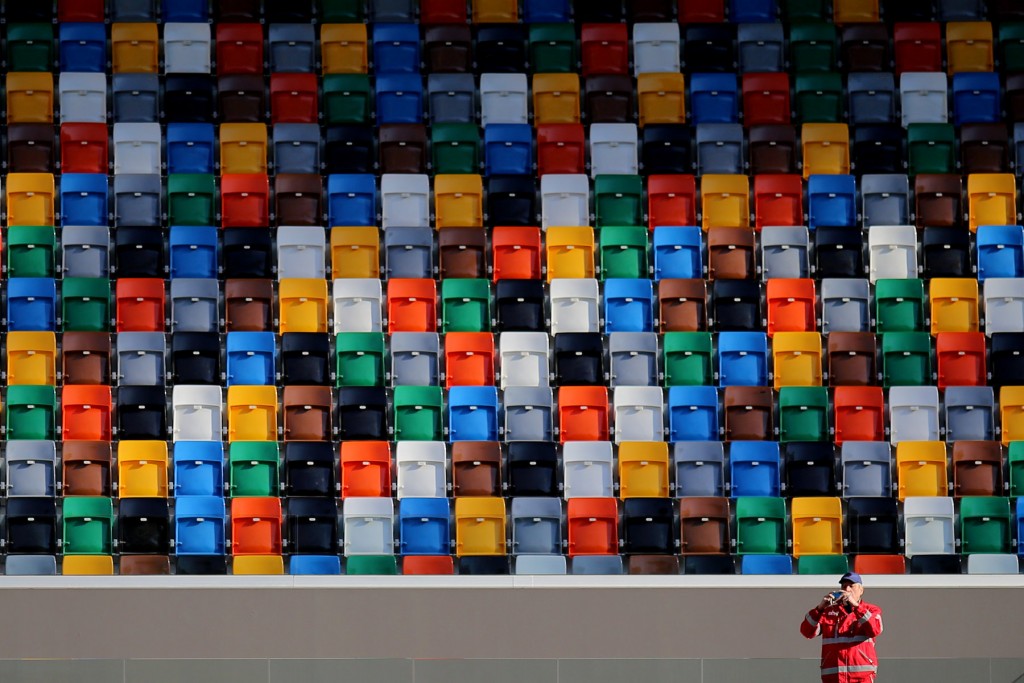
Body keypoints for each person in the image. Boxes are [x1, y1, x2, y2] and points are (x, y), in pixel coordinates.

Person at [799, 571, 884, 683]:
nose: (847, 590)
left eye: (851, 586)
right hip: (833, 677)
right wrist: (819, 609)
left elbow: (875, 629)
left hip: (861, 677)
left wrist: (856, 606)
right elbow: (807, 632)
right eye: (844, 586)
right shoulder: (828, 612)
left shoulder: (871, 610)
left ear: (861, 590)